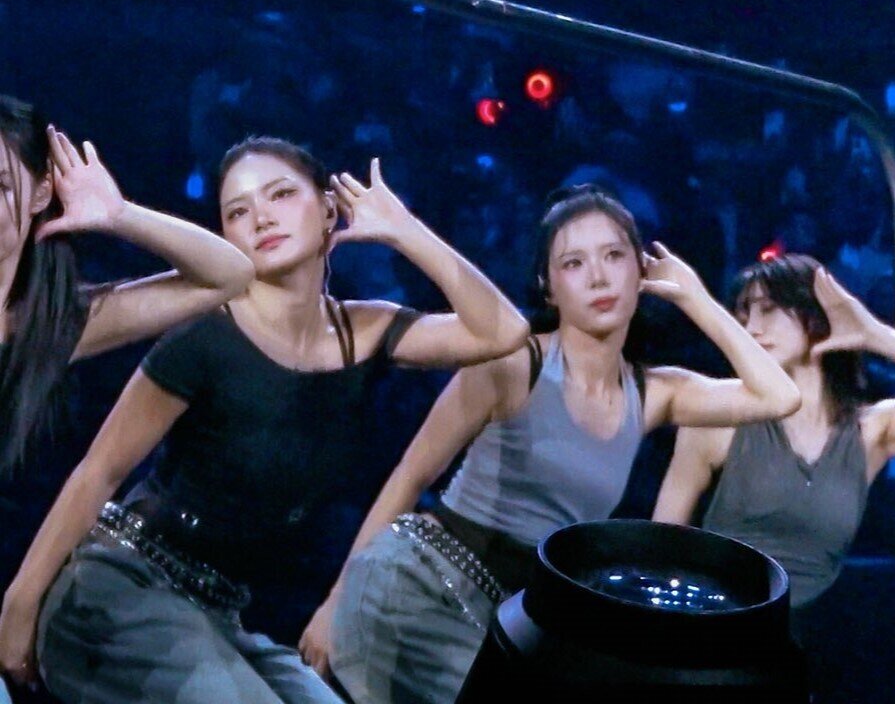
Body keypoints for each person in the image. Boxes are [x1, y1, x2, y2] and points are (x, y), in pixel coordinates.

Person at [0, 136, 530, 703]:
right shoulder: (207, 333)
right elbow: (98, 472)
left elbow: (502, 331)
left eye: (281, 195)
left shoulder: (364, 331)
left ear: (329, 210)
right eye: (238, 211)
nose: (261, 218)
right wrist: (18, 607)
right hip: (122, 590)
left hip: (219, 614)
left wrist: (406, 231)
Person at [305, 185, 800, 704]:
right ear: (549, 286)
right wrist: (334, 602)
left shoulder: (653, 393)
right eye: (573, 263)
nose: (599, 277)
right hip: (418, 588)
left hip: (515, 616)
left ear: (641, 271)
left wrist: (694, 296)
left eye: (614, 256)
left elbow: (779, 395)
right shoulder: (513, 365)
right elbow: (411, 476)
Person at [652, 253, 895, 658]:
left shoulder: (871, 430)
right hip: (719, 635)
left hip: (820, 640)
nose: (751, 327)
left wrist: (875, 335)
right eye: (744, 313)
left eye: (769, 309)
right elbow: (660, 546)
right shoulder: (718, 418)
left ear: (816, 315)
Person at [1, 97, 256, 477]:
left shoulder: (51, 324)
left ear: (40, 194)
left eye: (0, 185)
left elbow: (229, 274)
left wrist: (119, 215)